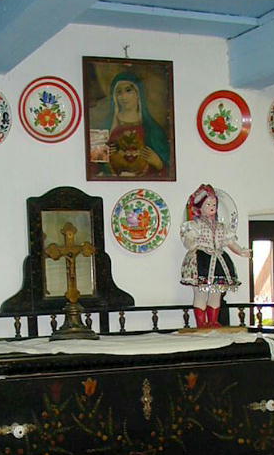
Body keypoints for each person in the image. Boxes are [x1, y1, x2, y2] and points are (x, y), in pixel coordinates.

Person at [180, 184, 251, 329]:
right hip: (201, 260)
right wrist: (192, 242)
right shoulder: (194, 225)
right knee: (201, 293)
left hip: (218, 260)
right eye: (208, 204)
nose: (212, 207)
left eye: (214, 204)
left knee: (216, 292)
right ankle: (201, 323)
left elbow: (229, 242)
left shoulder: (221, 226)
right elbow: (188, 240)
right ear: (200, 207)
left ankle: (213, 321)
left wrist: (241, 251)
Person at [102, 71, 170, 177]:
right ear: (114, 96)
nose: (123, 96)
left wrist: (159, 163)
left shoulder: (153, 129)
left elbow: (169, 170)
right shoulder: (106, 126)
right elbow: (93, 166)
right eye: (119, 92)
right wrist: (103, 156)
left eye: (128, 90)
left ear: (138, 94)